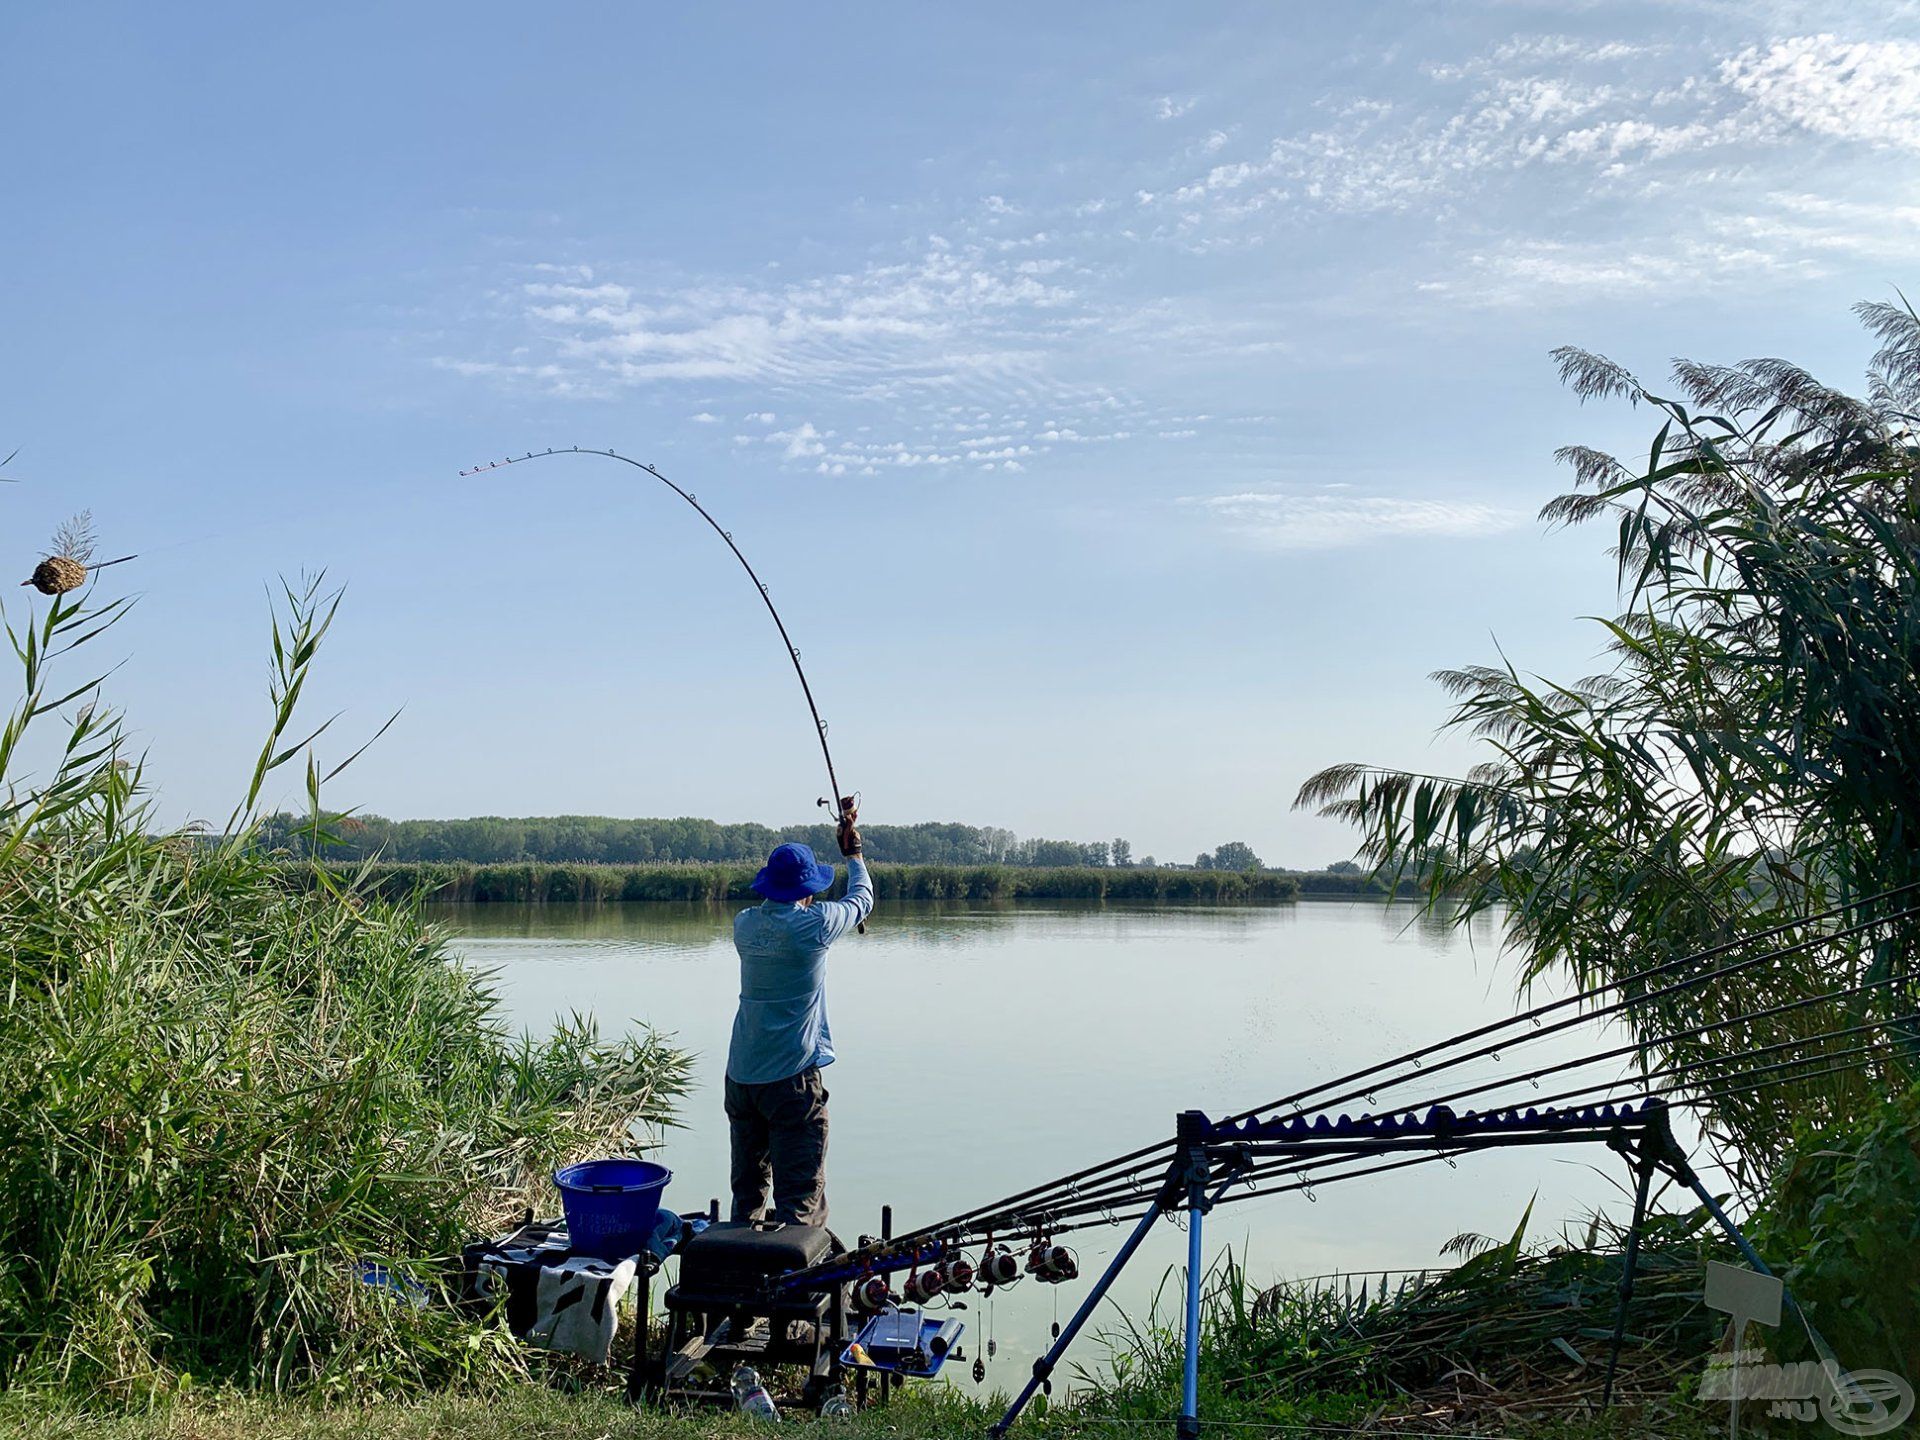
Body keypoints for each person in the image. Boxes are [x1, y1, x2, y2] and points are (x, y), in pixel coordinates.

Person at [724, 804, 872, 1227]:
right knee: (800, 1202)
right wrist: (854, 853)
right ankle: (793, 1286)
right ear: (807, 890)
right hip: (790, 1081)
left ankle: (739, 1272)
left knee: (747, 1194)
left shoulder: (744, 925)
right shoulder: (814, 927)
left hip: (741, 1078)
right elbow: (862, 899)